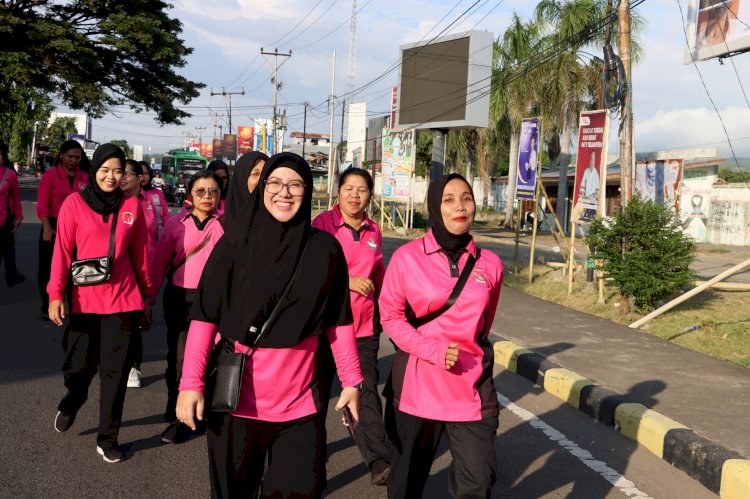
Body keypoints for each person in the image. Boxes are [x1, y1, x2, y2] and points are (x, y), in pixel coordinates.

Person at [176, 152, 362, 498]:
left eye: (295, 185)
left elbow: (339, 320)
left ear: (307, 192)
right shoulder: (233, 246)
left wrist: (352, 381)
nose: (284, 193)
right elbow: (205, 317)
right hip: (236, 402)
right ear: (261, 189)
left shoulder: (325, 251)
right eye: (274, 183)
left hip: (300, 407)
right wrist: (191, 383)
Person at [379, 173, 503, 499]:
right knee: (405, 484)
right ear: (435, 207)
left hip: (472, 390)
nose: (460, 207)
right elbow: (390, 317)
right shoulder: (406, 258)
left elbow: (483, 325)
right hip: (417, 390)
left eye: (466, 198)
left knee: (478, 482)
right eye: (449, 200)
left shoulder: (490, 264)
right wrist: (432, 349)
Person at [48, 143, 153, 463]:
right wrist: (55, 294)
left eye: (118, 170)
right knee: (78, 369)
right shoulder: (73, 204)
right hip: (83, 302)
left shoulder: (133, 207)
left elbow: (141, 256)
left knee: (115, 374)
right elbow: (62, 253)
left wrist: (147, 297)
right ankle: (72, 401)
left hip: (123, 301)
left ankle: (108, 438)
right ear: (94, 171)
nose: (111, 176)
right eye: (105, 170)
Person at [312, 168, 390, 486]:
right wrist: (347, 281)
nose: (354, 195)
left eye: (362, 189)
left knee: (366, 392)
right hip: (323, 328)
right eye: (349, 188)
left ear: (370, 195)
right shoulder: (321, 225)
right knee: (314, 396)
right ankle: (308, 452)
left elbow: (379, 275)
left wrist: (390, 312)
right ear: (338, 191)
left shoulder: (374, 231)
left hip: (362, 330)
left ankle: (378, 459)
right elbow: (311, 272)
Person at [150, 170, 224, 444]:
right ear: (190, 194)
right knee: (179, 357)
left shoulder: (225, 225)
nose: (207, 196)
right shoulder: (175, 224)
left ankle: (202, 411)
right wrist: (149, 300)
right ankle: (178, 412)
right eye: (201, 191)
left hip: (214, 302)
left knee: (211, 356)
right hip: (180, 299)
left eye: (213, 191)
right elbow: (158, 265)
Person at [37, 140, 89, 318]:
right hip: (52, 225)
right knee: (48, 268)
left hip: (78, 229)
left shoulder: (85, 178)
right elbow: (43, 204)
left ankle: (73, 305)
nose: (74, 160)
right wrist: (46, 228)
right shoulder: (50, 176)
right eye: (70, 156)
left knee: (76, 267)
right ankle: (48, 303)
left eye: (77, 157)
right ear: (61, 155)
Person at [120, 159, 159, 388]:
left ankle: (134, 366)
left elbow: (159, 232)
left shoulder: (152, 200)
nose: (121, 177)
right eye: (119, 173)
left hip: (144, 268)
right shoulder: (112, 201)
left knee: (136, 320)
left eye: (126, 173)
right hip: (119, 271)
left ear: (139, 178)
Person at [0, 140, 25, 287]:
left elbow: (16, 197)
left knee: (9, 250)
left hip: (4, 221)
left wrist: (18, 217)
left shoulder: (10, 174)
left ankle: (12, 276)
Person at [223, 151, 268, 224]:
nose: (262, 179)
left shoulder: (278, 218)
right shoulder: (222, 225)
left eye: (266, 174)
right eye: (256, 174)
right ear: (241, 179)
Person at [140, 162, 171, 236]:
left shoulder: (157, 193)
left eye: (145, 173)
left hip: (154, 241)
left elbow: (165, 216)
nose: (143, 177)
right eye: (140, 173)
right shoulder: (128, 194)